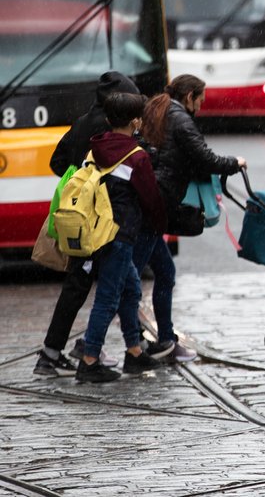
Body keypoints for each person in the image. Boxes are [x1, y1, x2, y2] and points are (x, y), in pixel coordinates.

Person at [35, 71, 142, 377]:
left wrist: (77, 177)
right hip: (99, 219)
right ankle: (61, 353)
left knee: (89, 284)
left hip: (82, 216)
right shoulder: (110, 128)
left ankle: (68, 350)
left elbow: (57, 162)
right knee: (92, 285)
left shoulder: (83, 121)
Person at [139, 74, 247, 361]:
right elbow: (204, 158)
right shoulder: (181, 119)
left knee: (159, 272)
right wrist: (234, 163)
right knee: (129, 278)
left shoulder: (157, 109)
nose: (200, 106)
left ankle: (162, 339)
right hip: (155, 203)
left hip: (149, 200)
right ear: (189, 96)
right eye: (199, 100)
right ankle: (102, 343)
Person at [75, 93, 167, 383]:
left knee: (129, 289)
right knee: (108, 296)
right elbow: (151, 199)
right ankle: (89, 361)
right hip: (121, 233)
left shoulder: (96, 148)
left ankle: (134, 352)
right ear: (136, 121)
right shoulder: (136, 157)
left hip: (97, 231)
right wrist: (161, 222)